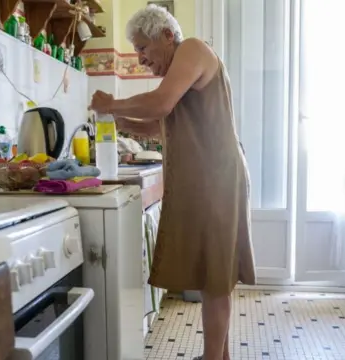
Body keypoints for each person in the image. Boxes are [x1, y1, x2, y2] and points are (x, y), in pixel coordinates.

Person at [88, 5, 255, 360]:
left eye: (143, 48)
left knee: (216, 279)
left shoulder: (192, 48)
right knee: (214, 275)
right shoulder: (180, 73)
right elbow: (158, 125)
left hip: (217, 179)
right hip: (211, 179)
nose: (140, 58)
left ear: (167, 35)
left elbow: (160, 105)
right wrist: (119, 124)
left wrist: (113, 104)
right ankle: (219, 357)